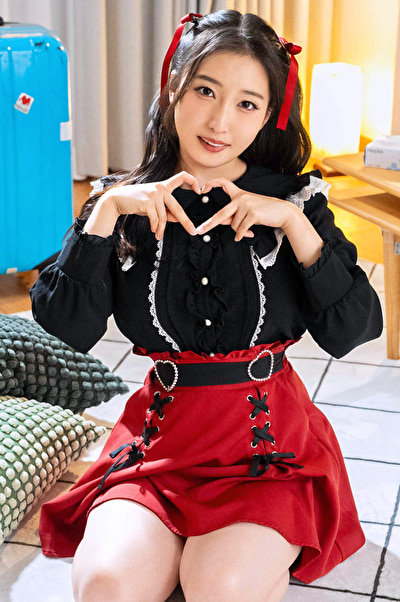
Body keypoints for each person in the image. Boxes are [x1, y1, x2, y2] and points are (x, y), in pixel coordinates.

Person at [30, 9, 383, 602]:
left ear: (269, 115)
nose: (220, 121)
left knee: (219, 586)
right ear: (173, 87)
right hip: (158, 447)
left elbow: (353, 331)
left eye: (247, 103)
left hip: (265, 451)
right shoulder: (120, 203)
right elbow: (69, 330)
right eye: (205, 91)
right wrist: (105, 214)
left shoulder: (296, 202)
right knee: (108, 584)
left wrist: (294, 224)